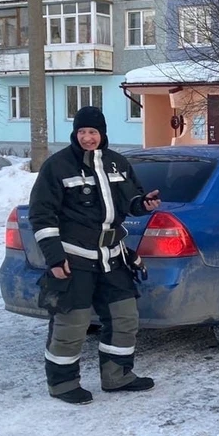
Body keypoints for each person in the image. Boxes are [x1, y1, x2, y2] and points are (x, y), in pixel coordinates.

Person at [29, 106, 161, 405]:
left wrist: (145, 204)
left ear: (102, 133)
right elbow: (41, 214)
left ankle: (118, 376)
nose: (87, 138)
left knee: (125, 318)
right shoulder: (58, 166)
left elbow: (131, 200)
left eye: (93, 132)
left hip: (113, 256)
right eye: (82, 132)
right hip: (74, 258)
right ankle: (63, 385)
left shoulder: (118, 163)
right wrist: (54, 257)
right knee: (71, 324)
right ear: (75, 134)